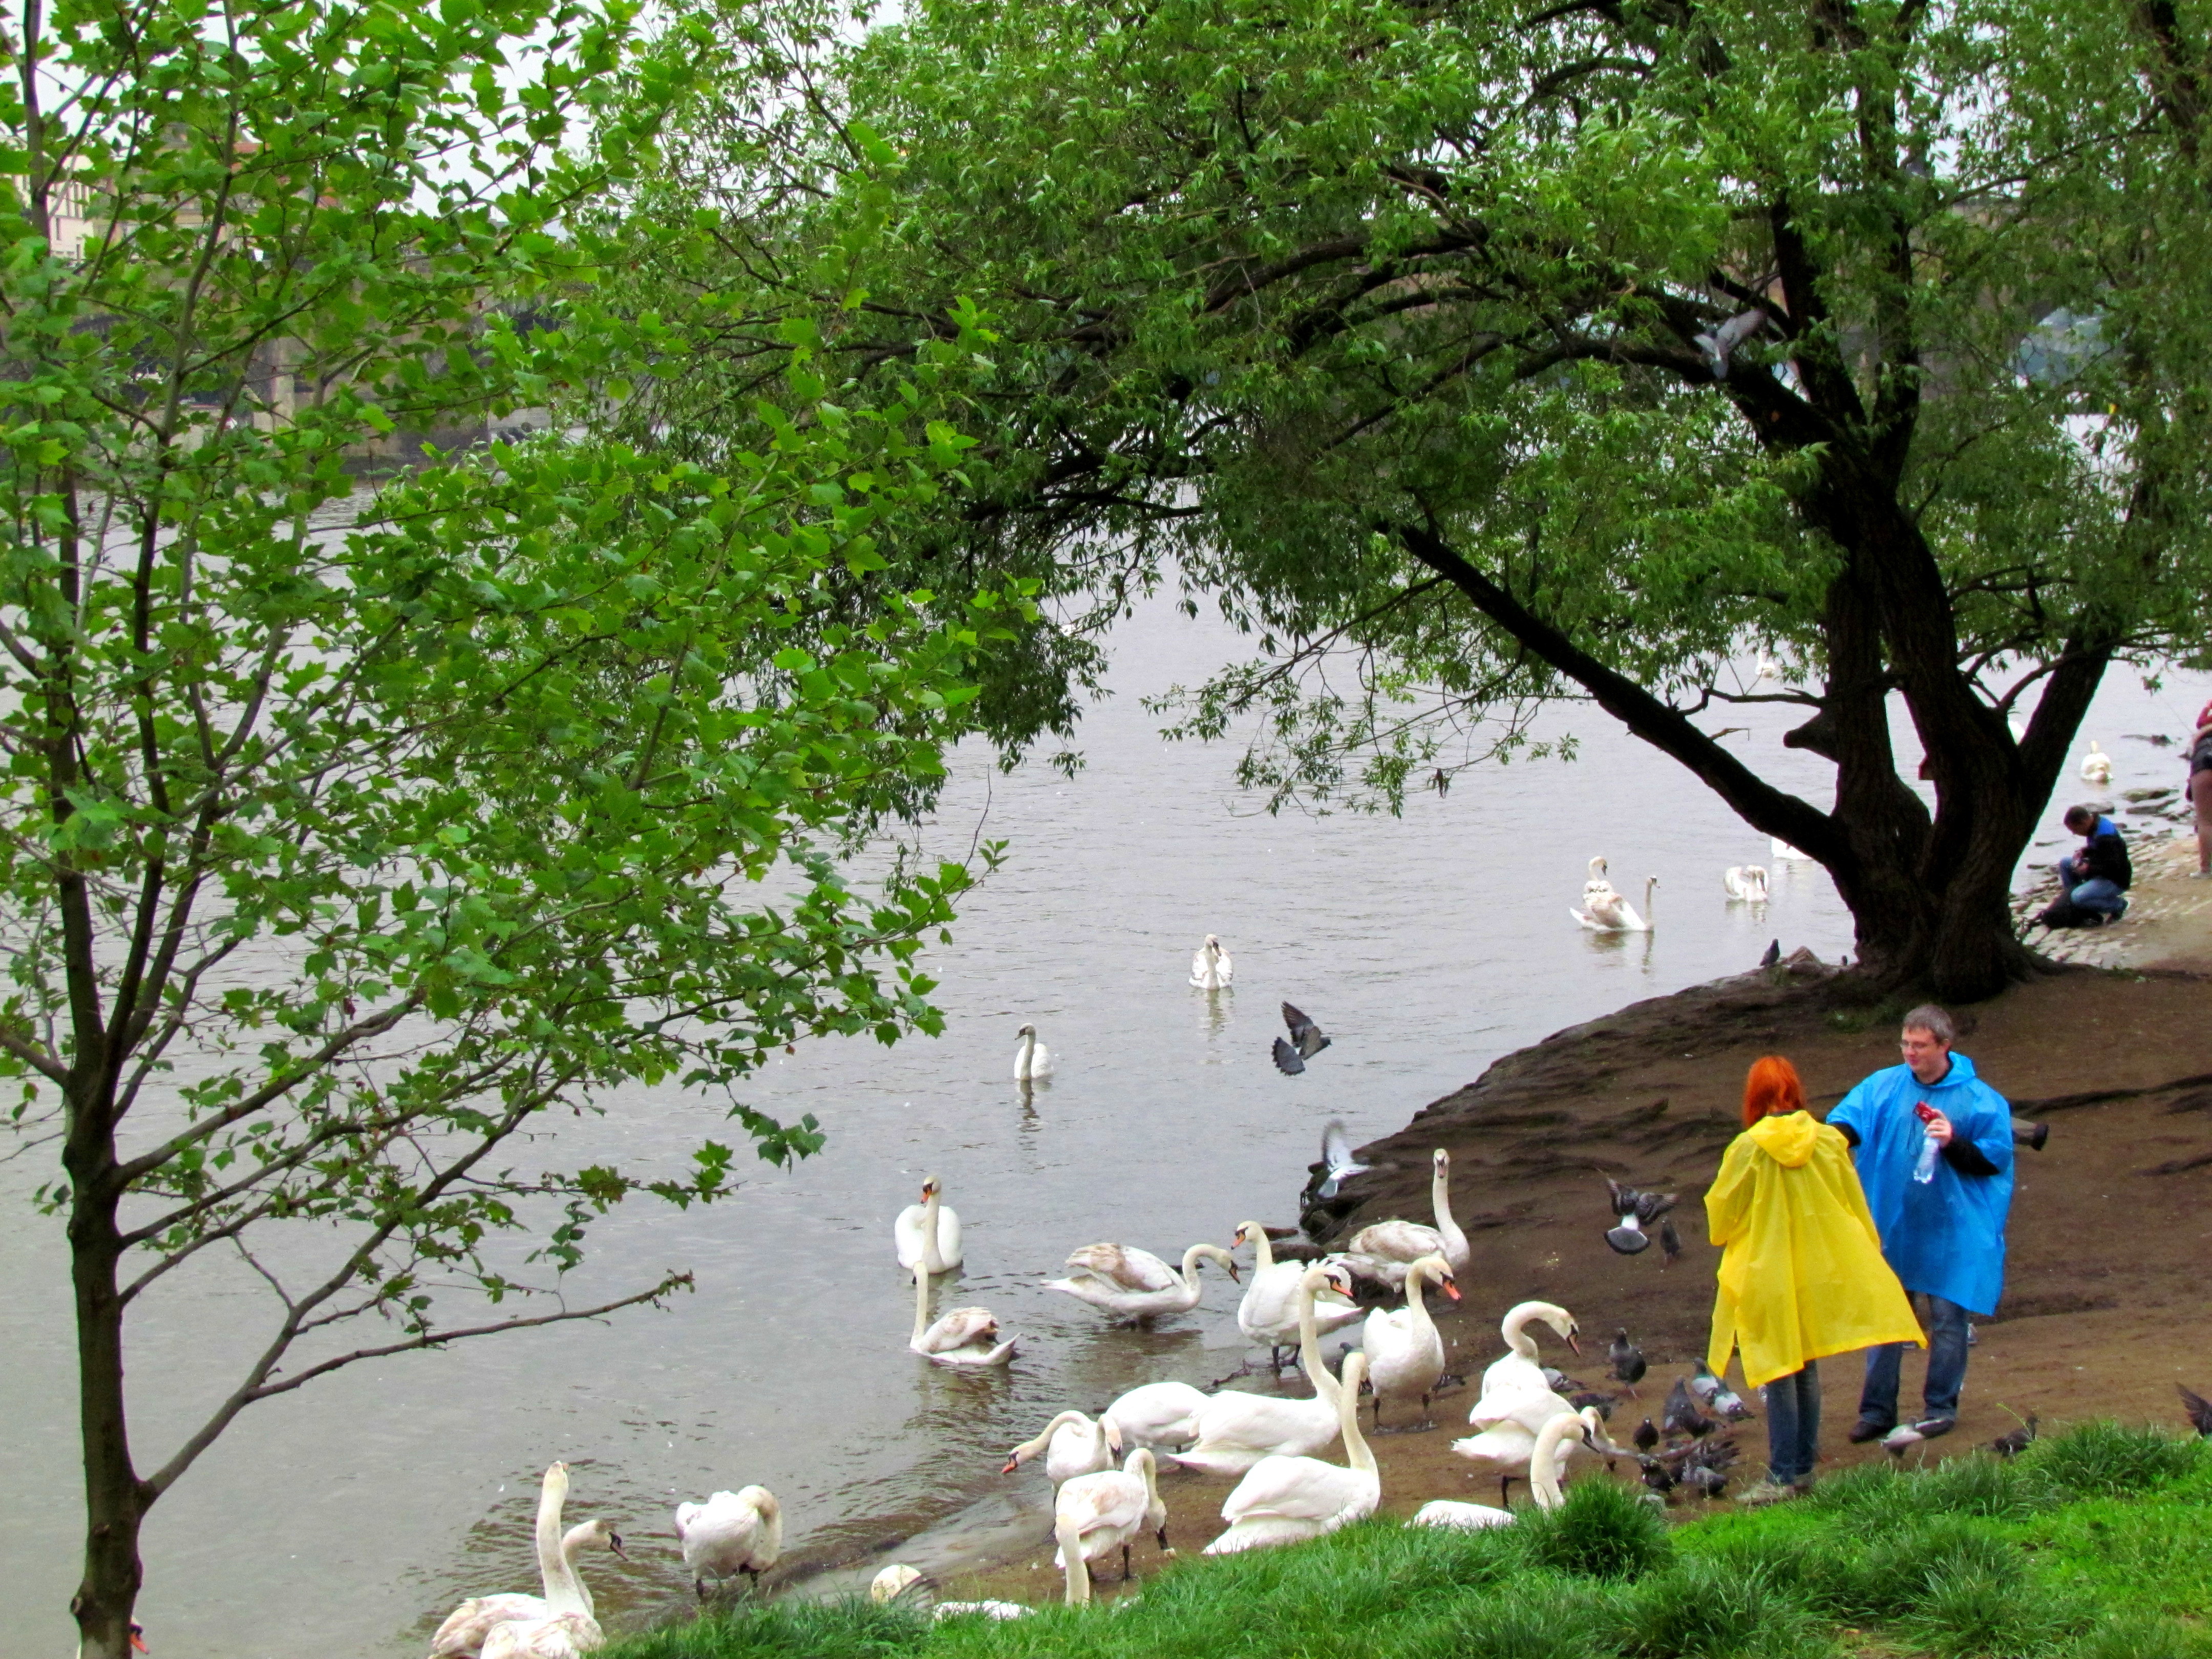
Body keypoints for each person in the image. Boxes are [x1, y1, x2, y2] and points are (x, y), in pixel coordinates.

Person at [1706, 1056, 1921, 1506]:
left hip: (1767, 1272)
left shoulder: (1748, 1148)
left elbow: (1720, 1220)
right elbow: (1853, 1204)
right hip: (1815, 1270)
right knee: (1806, 1369)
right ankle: (1801, 1469)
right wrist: (1866, 1256)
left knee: (1779, 1371)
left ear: (1754, 1097)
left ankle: (1782, 1475)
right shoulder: (1828, 1141)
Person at [1828, 1006, 2015, 1444]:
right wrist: (1818, 1142)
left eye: (1920, 1046)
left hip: (1954, 1230)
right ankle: (1876, 1411)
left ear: (1944, 1046)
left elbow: (1994, 1160)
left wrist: (1953, 1142)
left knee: (1948, 1320)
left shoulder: (1980, 1099)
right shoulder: (1882, 1086)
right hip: (1894, 1225)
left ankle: (1940, 1407)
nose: (1910, 1053)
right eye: (1906, 1044)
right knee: (1886, 1319)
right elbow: (1845, 1124)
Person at [2038, 803, 2131, 926]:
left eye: (2075, 830)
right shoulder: (2095, 826)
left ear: (2083, 823)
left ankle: (2118, 905)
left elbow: (2113, 866)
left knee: (2079, 897)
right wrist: (2085, 851)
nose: (2075, 833)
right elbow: (2100, 852)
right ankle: (2075, 905)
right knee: (2066, 864)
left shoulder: (2106, 837)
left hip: (2114, 879)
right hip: (2100, 871)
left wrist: (2089, 869)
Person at [2189, 700, 2212, 879]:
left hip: (2204, 765)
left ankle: (2207, 869)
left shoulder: (2198, 738)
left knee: (2206, 822)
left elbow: (2190, 753)